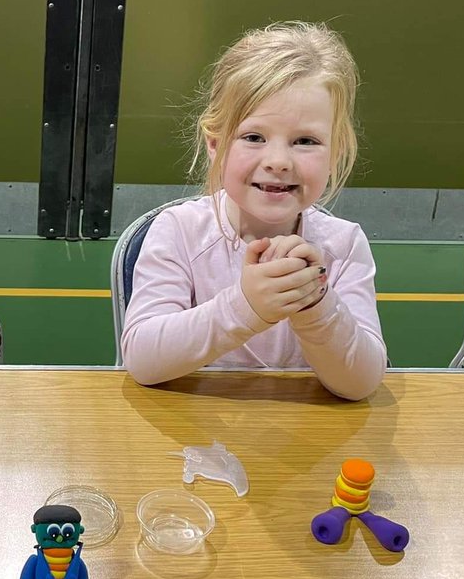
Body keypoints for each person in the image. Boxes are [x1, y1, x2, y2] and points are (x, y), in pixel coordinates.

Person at [121, 22, 386, 399]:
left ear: (335, 153)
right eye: (253, 137)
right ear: (215, 144)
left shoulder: (342, 246)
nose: (278, 161)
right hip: (193, 439)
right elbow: (143, 360)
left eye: (305, 141)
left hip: (305, 442)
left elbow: (360, 384)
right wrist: (244, 308)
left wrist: (315, 304)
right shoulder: (178, 231)